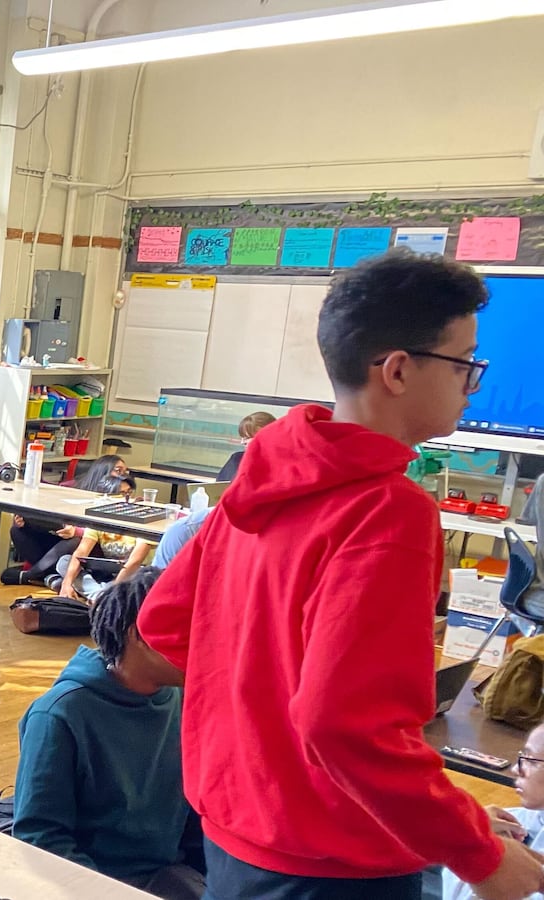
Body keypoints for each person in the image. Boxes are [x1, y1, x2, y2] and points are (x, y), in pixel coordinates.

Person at [138, 250, 544, 899]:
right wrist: (478, 853)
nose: (475, 382)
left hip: (235, 827)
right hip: (335, 860)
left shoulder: (266, 477)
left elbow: (162, 625)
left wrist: (263, 710)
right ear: (399, 370)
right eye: (466, 363)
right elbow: (346, 724)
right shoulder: (390, 510)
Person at [14, 569, 205, 899]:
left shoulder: (181, 698)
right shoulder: (60, 714)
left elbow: (194, 820)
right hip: (92, 883)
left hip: (167, 873)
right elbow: (40, 838)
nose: (202, 650)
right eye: (186, 636)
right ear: (137, 635)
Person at [443, 723, 544, 900]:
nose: (516, 769)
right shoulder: (508, 820)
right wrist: (475, 837)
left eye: (530, 760)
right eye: (523, 756)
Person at [4, 455, 131, 586]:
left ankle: (32, 575)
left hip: (92, 546)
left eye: (125, 471)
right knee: (17, 531)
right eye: (118, 470)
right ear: (102, 470)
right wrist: (25, 523)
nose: (123, 475)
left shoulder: (122, 496)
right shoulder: (72, 487)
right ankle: (49, 576)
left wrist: (77, 531)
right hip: (59, 537)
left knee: (74, 541)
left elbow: (106, 530)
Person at [52, 472, 152, 599]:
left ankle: (100, 596)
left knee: (141, 578)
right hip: (107, 571)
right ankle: (101, 596)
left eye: (129, 493)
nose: (127, 499)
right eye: (121, 494)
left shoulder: (142, 520)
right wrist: (66, 584)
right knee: (64, 562)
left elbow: (135, 561)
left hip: (134, 572)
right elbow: (81, 552)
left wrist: (114, 589)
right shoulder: (100, 520)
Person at [214, 411, 277, 481]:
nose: (242, 442)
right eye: (242, 437)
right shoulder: (237, 459)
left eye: (247, 437)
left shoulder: (282, 466)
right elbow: (220, 487)